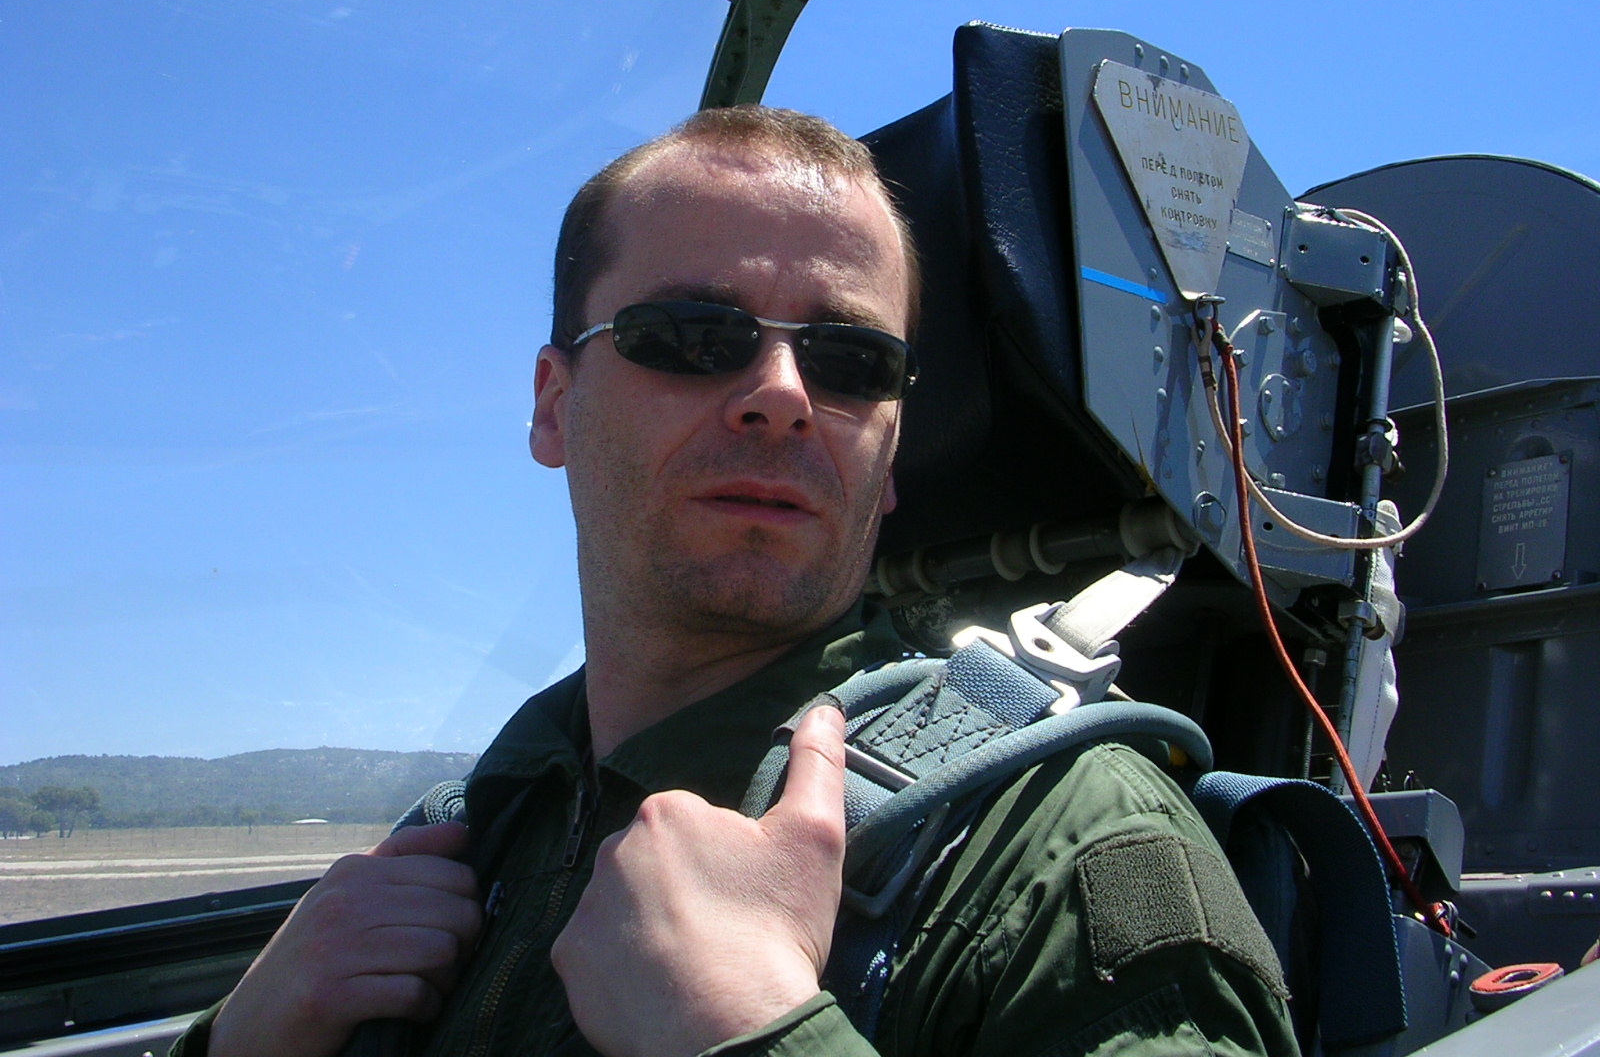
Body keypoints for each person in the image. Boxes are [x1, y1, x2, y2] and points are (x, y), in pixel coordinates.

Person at [176, 107, 1299, 1057]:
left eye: (853, 361)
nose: (783, 395)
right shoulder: (481, 829)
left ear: (890, 459)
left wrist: (749, 1027)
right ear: (554, 405)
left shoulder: (1058, 842)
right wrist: (233, 1043)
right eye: (691, 334)